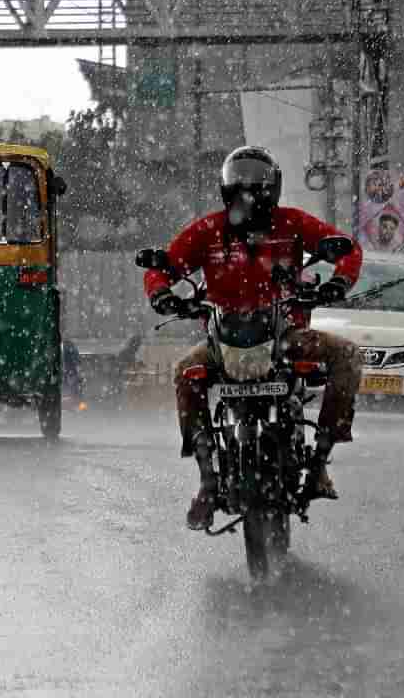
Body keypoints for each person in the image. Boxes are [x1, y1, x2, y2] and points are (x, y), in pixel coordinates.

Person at [144, 146, 364, 530]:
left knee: (346, 355)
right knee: (185, 373)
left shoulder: (294, 224)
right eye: (240, 184)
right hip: (222, 341)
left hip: (287, 334)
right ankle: (206, 475)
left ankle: (319, 464)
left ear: (273, 189)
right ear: (227, 189)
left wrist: (338, 281)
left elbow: (347, 249)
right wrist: (161, 294)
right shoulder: (207, 231)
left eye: (256, 184)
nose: (248, 192)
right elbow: (164, 264)